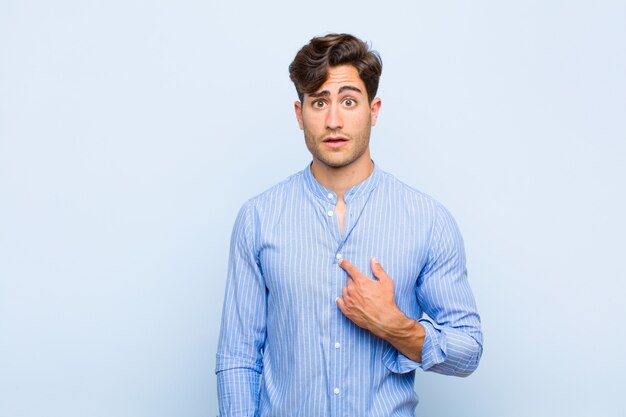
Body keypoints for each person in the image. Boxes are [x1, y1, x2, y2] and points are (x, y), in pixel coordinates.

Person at [215, 33, 483, 416]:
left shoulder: (427, 221)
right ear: (299, 112)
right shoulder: (259, 219)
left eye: (348, 101)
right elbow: (238, 358)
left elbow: (468, 351)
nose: (334, 120)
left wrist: (395, 326)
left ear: (373, 110)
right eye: (319, 102)